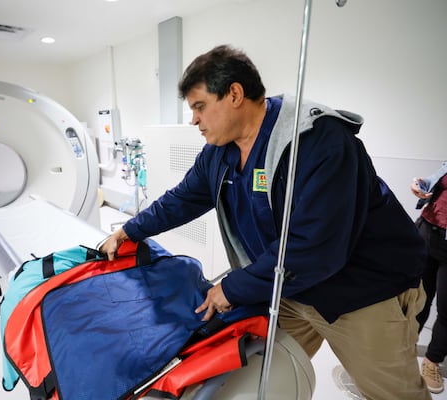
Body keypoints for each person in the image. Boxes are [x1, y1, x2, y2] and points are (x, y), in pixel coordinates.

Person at [100, 45, 430, 399]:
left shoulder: (319, 143)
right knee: (259, 374)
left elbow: (316, 248)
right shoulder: (220, 152)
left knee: (394, 394)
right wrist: (130, 230)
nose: (194, 120)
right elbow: (182, 199)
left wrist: (233, 287)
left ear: (235, 94)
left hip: (362, 293)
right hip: (290, 290)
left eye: (199, 107)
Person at [411, 161, 447, 394]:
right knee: (416, 298)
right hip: (427, 232)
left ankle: (432, 361)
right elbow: (437, 181)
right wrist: (420, 184)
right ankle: (403, 350)